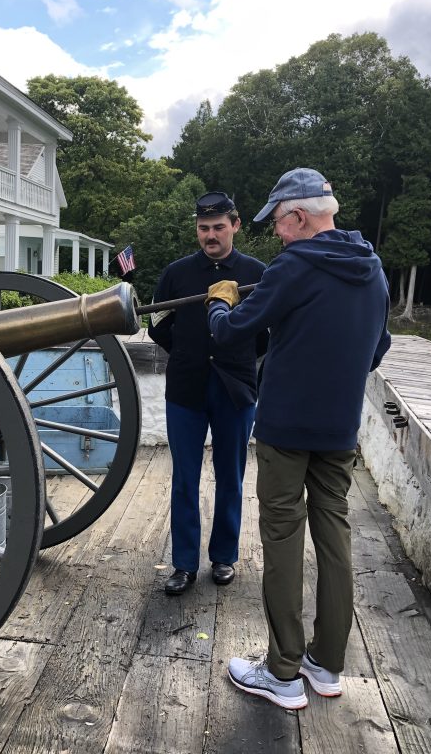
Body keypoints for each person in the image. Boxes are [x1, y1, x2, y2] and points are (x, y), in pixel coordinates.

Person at [205, 168, 391, 709]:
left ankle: (282, 671)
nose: (277, 236)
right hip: (339, 429)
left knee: (283, 541)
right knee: (336, 539)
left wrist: (220, 300)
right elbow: (377, 347)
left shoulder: (294, 265)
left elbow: (234, 332)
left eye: (280, 224)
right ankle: (326, 664)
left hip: (286, 429)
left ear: (300, 216)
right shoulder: (372, 269)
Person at [148, 191, 267, 595]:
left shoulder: (257, 272)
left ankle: (224, 557)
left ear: (235, 225)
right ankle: (183, 564)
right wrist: (187, 352)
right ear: (196, 230)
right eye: (203, 228)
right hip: (186, 387)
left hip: (235, 388)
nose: (210, 235)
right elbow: (158, 324)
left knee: (230, 476)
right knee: (184, 478)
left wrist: (238, 356)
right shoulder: (176, 273)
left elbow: (267, 334)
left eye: (218, 227)